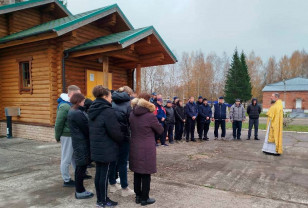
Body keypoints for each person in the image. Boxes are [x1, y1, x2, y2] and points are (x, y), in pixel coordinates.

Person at [88, 85, 123, 207]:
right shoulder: (107, 111)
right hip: (106, 148)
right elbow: (115, 132)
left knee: (99, 174)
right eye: (110, 96)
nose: (111, 99)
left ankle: (100, 199)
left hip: (97, 147)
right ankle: (103, 201)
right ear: (104, 96)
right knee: (104, 175)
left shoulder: (92, 108)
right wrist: (121, 139)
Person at [129, 94, 164, 206]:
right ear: (148, 102)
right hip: (147, 147)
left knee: (137, 171)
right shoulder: (150, 116)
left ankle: (138, 196)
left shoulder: (132, 114)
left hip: (134, 145)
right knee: (146, 173)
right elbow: (160, 130)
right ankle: (145, 198)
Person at [109, 86, 134, 197]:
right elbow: (131, 122)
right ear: (128, 94)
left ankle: (112, 184)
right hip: (124, 137)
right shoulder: (128, 105)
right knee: (123, 162)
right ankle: (124, 187)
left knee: (112, 161)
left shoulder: (111, 102)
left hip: (112, 136)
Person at [67, 93, 94, 199]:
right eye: (83, 101)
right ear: (78, 101)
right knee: (81, 167)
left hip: (79, 142)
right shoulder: (77, 113)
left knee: (81, 166)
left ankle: (80, 190)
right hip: (81, 143)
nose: (84, 102)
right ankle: (80, 191)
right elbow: (85, 128)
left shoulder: (74, 111)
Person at [55, 85, 80, 187]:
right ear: (72, 94)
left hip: (72, 135)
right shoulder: (64, 106)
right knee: (66, 158)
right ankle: (66, 180)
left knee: (74, 156)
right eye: (78, 94)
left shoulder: (70, 104)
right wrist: (57, 136)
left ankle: (79, 174)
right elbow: (59, 123)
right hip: (67, 135)